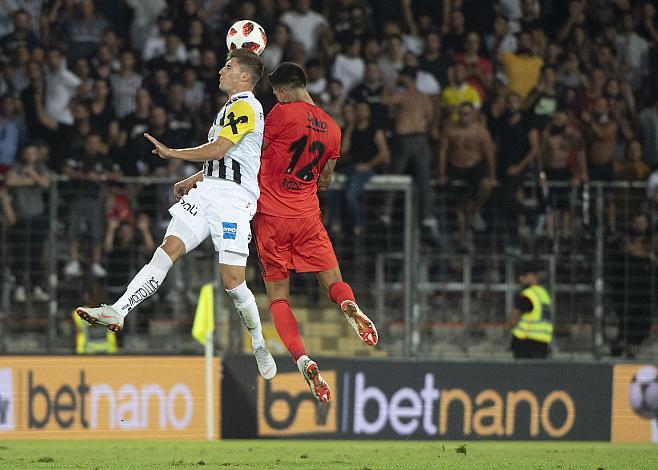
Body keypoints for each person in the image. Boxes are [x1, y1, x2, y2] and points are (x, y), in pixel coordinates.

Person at [76, 49, 276, 381]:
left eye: (228, 67)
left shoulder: (247, 106)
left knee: (233, 282)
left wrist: (173, 153)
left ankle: (258, 342)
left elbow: (218, 150)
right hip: (208, 191)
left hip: (232, 201)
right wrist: (193, 178)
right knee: (166, 250)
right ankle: (118, 310)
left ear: (244, 77)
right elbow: (225, 162)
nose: (220, 71)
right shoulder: (228, 108)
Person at [253, 62, 379, 403]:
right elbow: (325, 180)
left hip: (271, 218)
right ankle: (348, 303)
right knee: (333, 284)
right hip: (308, 217)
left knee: (279, 298)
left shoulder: (280, 114)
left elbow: (252, 152)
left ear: (281, 90)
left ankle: (302, 358)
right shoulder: (334, 128)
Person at [508, 263, 553, 359]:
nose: (520, 280)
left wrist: (510, 328)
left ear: (531, 275)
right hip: (543, 343)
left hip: (525, 342)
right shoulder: (543, 294)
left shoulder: (528, 295)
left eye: (523, 276)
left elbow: (514, 318)